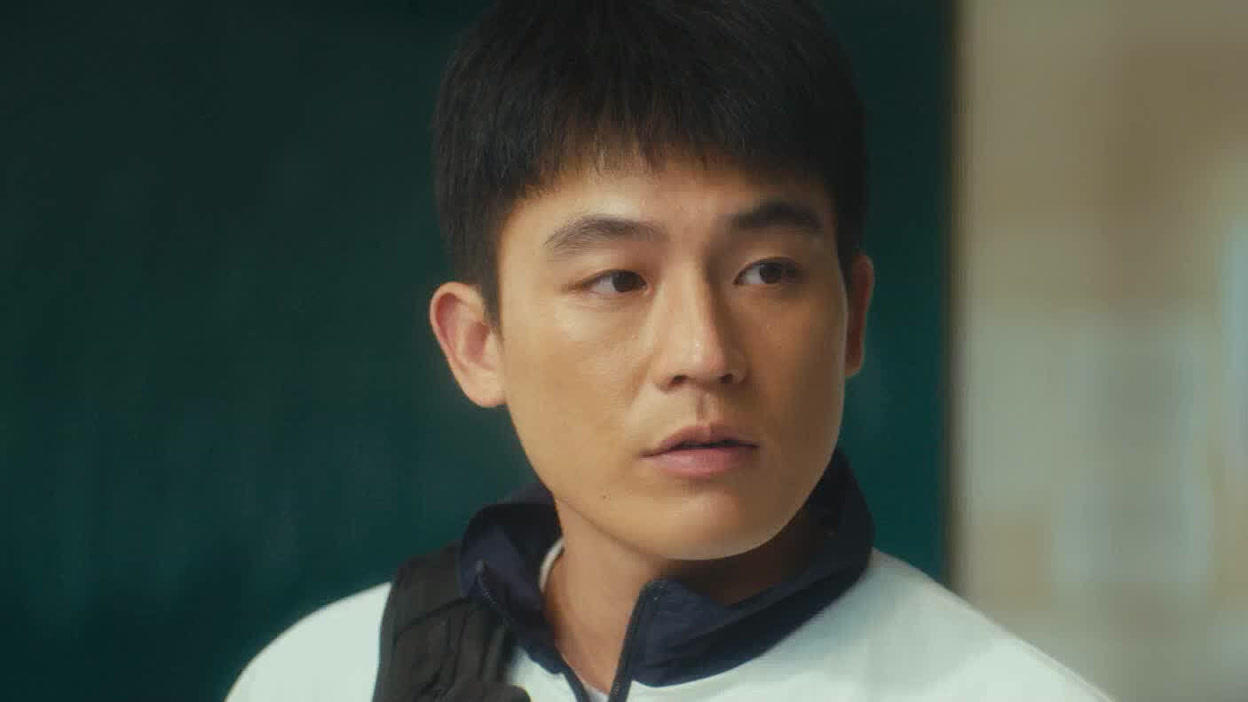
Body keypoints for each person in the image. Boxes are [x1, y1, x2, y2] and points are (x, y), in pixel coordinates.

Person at [227, 1, 1109, 700]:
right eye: (617, 280)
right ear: (479, 344)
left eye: (766, 272)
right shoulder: (323, 679)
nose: (702, 352)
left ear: (853, 318)